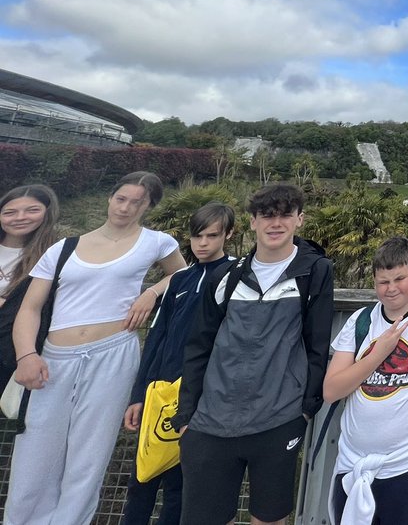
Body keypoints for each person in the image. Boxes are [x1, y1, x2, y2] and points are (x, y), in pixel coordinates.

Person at [6, 171, 185, 525]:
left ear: (148, 206)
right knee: (35, 450)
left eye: (137, 202)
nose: (126, 207)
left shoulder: (157, 242)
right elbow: (30, 308)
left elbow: (185, 274)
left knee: (89, 456)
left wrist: (150, 292)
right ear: (110, 197)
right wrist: (27, 355)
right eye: (121, 198)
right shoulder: (64, 248)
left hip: (113, 352)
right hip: (54, 358)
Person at [175, 183, 334, 525]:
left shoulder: (315, 272)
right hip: (210, 421)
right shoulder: (226, 276)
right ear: (252, 221)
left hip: (278, 418)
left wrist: (305, 410)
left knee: (270, 518)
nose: (275, 223)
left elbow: (317, 344)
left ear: (299, 220)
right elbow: (199, 346)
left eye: (285, 215)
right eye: (267, 215)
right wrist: (186, 416)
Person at [323, 236, 408, 525]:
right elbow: (331, 390)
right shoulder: (360, 322)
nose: (392, 288)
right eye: (383, 281)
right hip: (353, 464)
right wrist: (378, 354)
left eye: (400, 278)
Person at [120, 201, 238, 525]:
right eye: (197, 236)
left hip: (202, 398)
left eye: (211, 236)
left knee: (181, 489)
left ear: (228, 234)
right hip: (160, 393)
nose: (202, 243)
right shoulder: (179, 280)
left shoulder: (236, 276)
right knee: (141, 481)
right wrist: (138, 395)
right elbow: (156, 339)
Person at [0, 184, 60, 385]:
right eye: (10, 212)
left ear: (47, 213)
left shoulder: (54, 255)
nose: (20, 217)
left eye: (32, 210)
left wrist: (151, 291)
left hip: (10, 352)